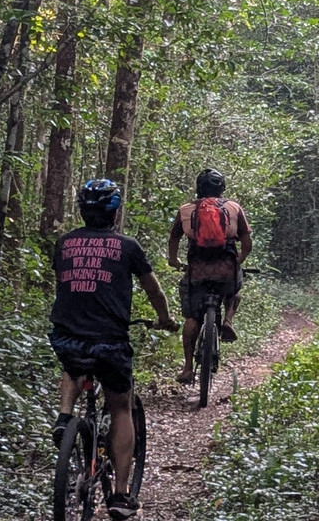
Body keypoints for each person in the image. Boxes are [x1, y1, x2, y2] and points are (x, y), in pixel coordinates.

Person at [49, 178, 178, 520]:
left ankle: (65, 416)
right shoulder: (127, 246)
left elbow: (65, 282)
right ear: (114, 213)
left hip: (66, 336)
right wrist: (164, 319)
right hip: (110, 341)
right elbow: (153, 290)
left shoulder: (64, 243)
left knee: (73, 363)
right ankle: (121, 496)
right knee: (121, 407)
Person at [167, 167, 252, 385]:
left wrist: (174, 261)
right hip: (226, 271)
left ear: (198, 188)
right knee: (235, 290)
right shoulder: (233, 207)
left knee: (192, 317)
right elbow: (246, 241)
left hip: (197, 272)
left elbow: (174, 238)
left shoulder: (186, 209)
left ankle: (187, 367)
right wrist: (239, 259)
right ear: (222, 187)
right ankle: (227, 320)